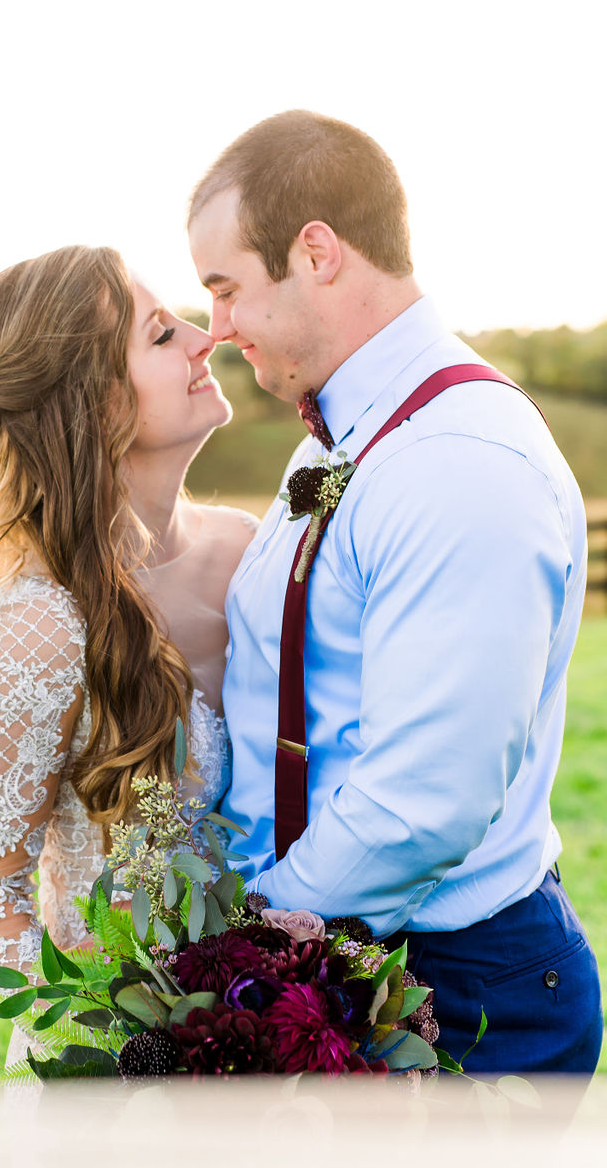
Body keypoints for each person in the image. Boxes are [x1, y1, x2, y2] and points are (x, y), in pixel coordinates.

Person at [187, 110, 602, 1075]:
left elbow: (427, 794)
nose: (218, 328)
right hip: (346, 955)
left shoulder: (456, 461)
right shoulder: (349, 431)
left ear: (318, 252)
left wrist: (248, 947)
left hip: (457, 993)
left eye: (228, 288)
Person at [0, 245, 256, 1029]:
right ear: (96, 403)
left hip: (274, 1018)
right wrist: (114, 1043)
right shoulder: (39, 628)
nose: (201, 338)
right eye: (158, 336)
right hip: (124, 1069)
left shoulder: (252, 550)